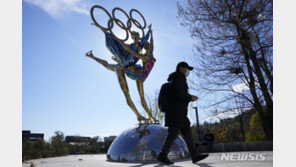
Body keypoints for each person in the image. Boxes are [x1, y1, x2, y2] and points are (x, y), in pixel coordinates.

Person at [157, 62, 209, 165]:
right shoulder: (178, 77)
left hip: (177, 113)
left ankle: (195, 156)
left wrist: (188, 97)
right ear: (181, 68)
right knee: (173, 135)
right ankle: (162, 155)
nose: (188, 71)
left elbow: (177, 93)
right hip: (176, 113)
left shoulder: (174, 78)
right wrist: (190, 97)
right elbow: (178, 93)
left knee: (186, 133)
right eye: (187, 69)